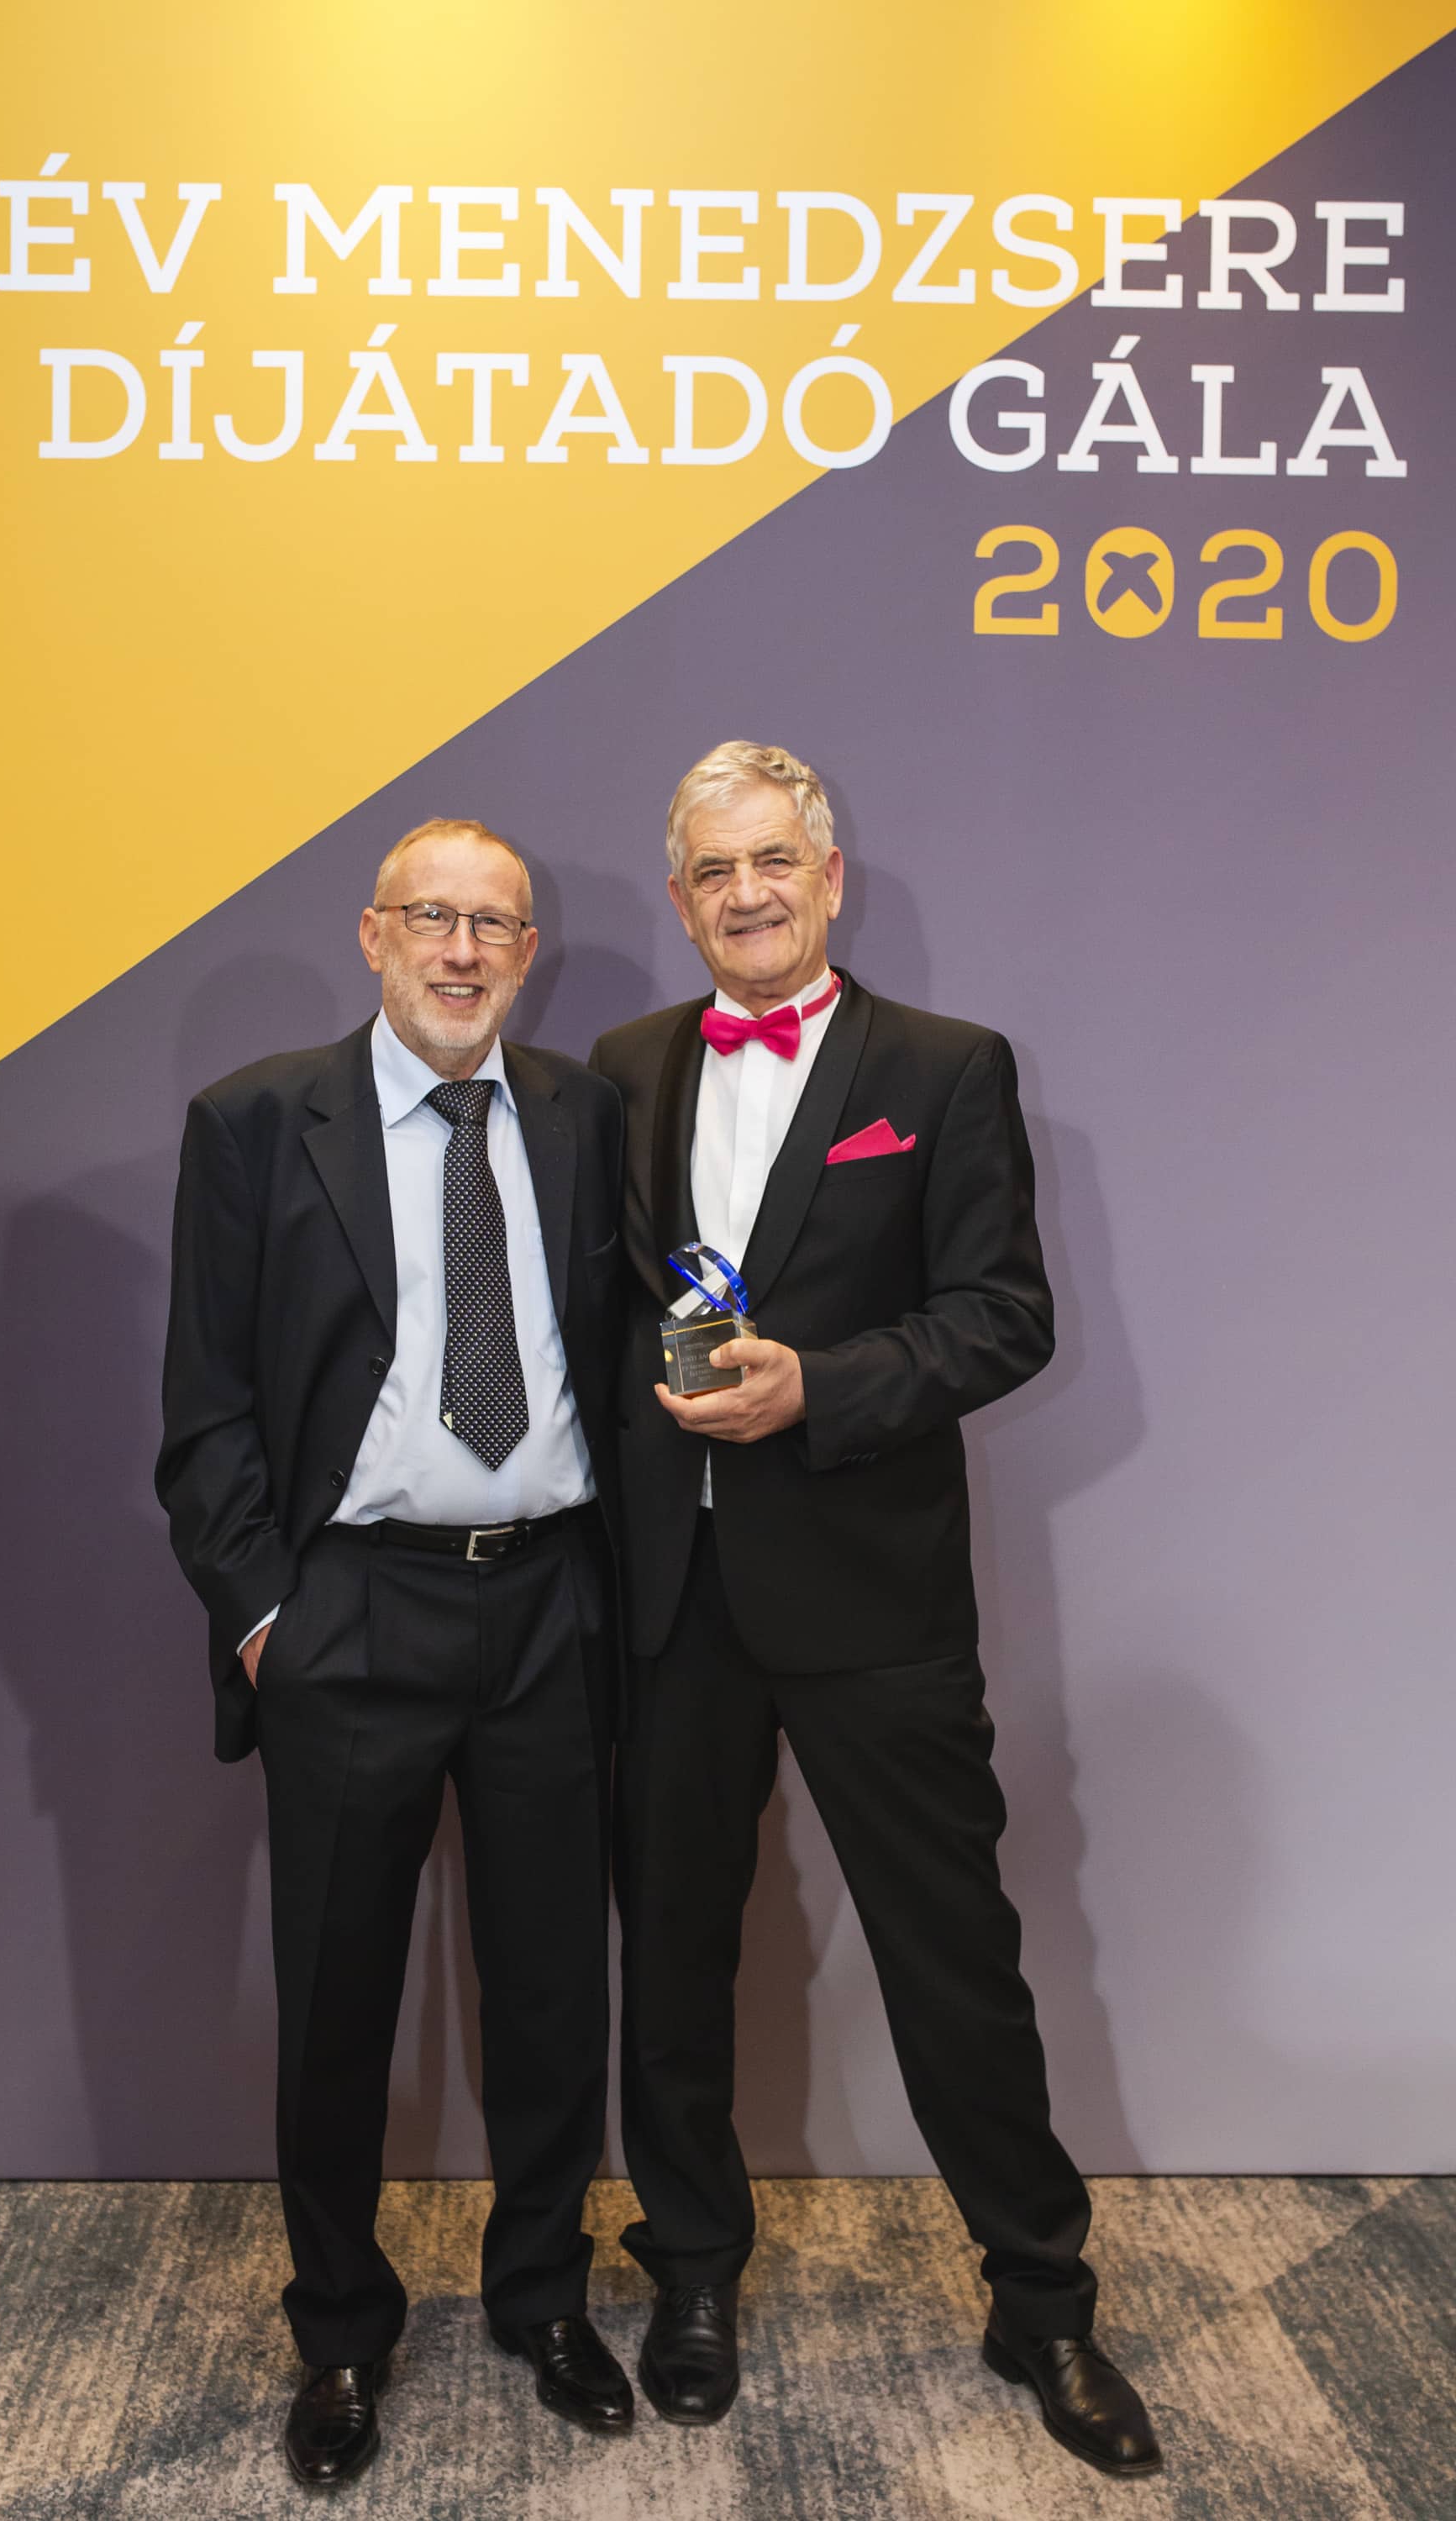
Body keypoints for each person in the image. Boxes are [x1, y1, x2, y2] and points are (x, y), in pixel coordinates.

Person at [590, 742, 1160, 2478]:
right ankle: (692, 2268)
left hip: (871, 1593)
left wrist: (817, 1390)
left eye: (772, 861)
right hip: (667, 1594)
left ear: (828, 876)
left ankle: (1041, 2301)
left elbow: (1004, 1315)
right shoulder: (623, 1066)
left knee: (951, 1958)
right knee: (673, 1952)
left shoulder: (945, 1067)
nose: (745, 894)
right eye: (712, 872)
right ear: (680, 897)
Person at [156, 818, 632, 2487]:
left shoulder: (584, 1116)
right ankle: (342, 2333)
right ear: (372, 935)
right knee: (337, 1998)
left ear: (525, 952)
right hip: (350, 1614)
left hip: (551, 1603)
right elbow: (206, 1405)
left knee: (552, 1988)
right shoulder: (255, 1122)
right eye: (431, 917)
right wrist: (263, 1619)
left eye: (493, 924)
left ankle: (542, 2297)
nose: (461, 949)